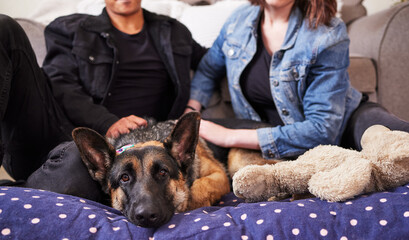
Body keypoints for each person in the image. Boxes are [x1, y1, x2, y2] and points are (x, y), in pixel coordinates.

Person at [0, 0, 206, 200]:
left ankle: (23, 190)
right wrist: (107, 123)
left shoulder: (173, 31)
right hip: (61, 132)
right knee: (4, 28)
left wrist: (193, 105)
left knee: (75, 164)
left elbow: (213, 62)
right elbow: (62, 85)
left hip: (122, 158)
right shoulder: (71, 29)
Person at [185, 0, 409, 162]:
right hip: (282, 147)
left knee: (396, 143)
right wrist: (190, 111)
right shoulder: (237, 22)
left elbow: (322, 129)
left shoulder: (327, 34)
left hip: (346, 124)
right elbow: (207, 69)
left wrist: (229, 136)